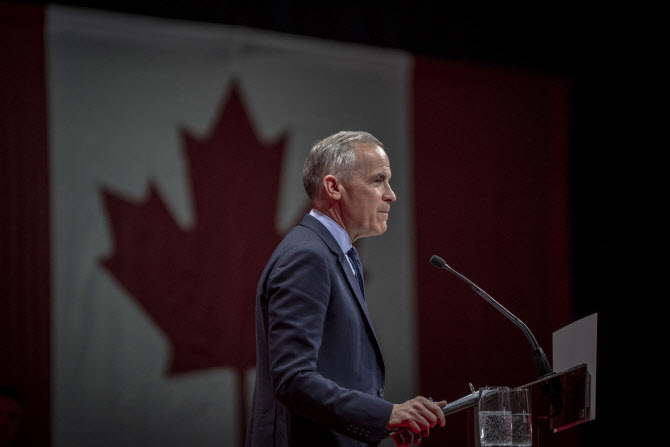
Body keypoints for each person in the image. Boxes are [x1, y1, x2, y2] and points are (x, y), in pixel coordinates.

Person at [245, 131, 446, 447]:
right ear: (334, 187)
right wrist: (385, 414)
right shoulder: (307, 257)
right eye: (378, 180)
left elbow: (336, 371)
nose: (391, 195)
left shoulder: (334, 254)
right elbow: (293, 380)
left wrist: (383, 422)